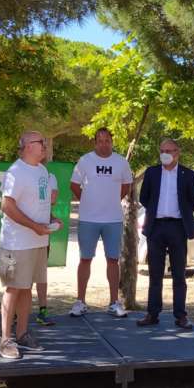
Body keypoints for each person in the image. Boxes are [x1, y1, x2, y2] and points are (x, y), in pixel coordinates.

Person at [0, 131, 61, 359]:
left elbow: (39, 203)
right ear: (27, 146)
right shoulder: (15, 172)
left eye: (45, 141)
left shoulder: (42, 170)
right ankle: (5, 340)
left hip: (38, 241)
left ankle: (22, 334)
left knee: (27, 287)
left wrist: (50, 219)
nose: (45, 145)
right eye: (40, 142)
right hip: (16, 243)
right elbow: (7, 205)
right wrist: (34, 226)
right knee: (13, 288)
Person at [69, 128, 134, 318]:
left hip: (113, 219)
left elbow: (126, 186)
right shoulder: (85, 160)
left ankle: (114, 303)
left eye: (107, 141)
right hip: (88, 219)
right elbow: (74, 185)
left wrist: (111, 200)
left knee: (113, 260)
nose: (104, 144)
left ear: (112, 142)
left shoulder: (121, 162)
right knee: (85, 259)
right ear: (95, 142)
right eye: (100, 141)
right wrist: (88, 200)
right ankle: (80, 302)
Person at [136, 138, 194, 328]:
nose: (165, 154)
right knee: (155, 274)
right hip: (156, 227)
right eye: (162, 150)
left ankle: (180, 315)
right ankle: (152, 314)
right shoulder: (152, 172)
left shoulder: (188, 175)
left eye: (169, 150)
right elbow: (144, 198)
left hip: (178, 228)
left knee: (179, 274)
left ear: (177, 153)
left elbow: (193, 202)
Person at [33, 166, 60, 326]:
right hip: (21, 239)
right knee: (21, 279)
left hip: (43, 238)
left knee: (41, 275)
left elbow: (51, 201)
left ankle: (42, 312)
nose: (43, 155)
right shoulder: (20, 174)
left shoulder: (50, 177)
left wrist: (53, 219)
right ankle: (15, 313)